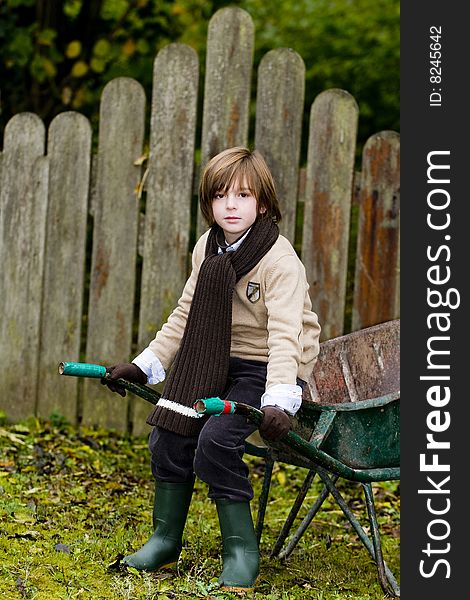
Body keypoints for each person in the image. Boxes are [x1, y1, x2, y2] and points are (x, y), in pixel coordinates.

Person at [103, 146, 321, 592]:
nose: (231, 205)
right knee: (168, 435)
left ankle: (241, 551)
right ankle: (164, 540)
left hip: (266, 366)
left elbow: (285, 334)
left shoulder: (279, 260)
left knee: (216, 440)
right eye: (221, 196)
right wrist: (146, 366)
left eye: (242, 196)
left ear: (262, 203)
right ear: (209, 204)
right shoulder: (209, 246)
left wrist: (279, 397)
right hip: (214, 355)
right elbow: (185, 314)